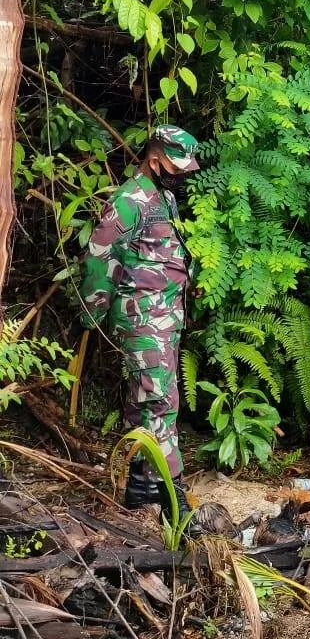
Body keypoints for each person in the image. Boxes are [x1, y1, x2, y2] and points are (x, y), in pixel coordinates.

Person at [79, 124, 202, 535]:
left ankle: (140, 485)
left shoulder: (162, 197)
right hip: (143, 320)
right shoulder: (129, 201)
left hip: (164, 316)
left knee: (142, 402)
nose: (181, 174)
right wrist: (92, 312)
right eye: (175, 165)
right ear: (154, 158)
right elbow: (100, 256)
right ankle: (174, 497)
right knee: (161, 402)